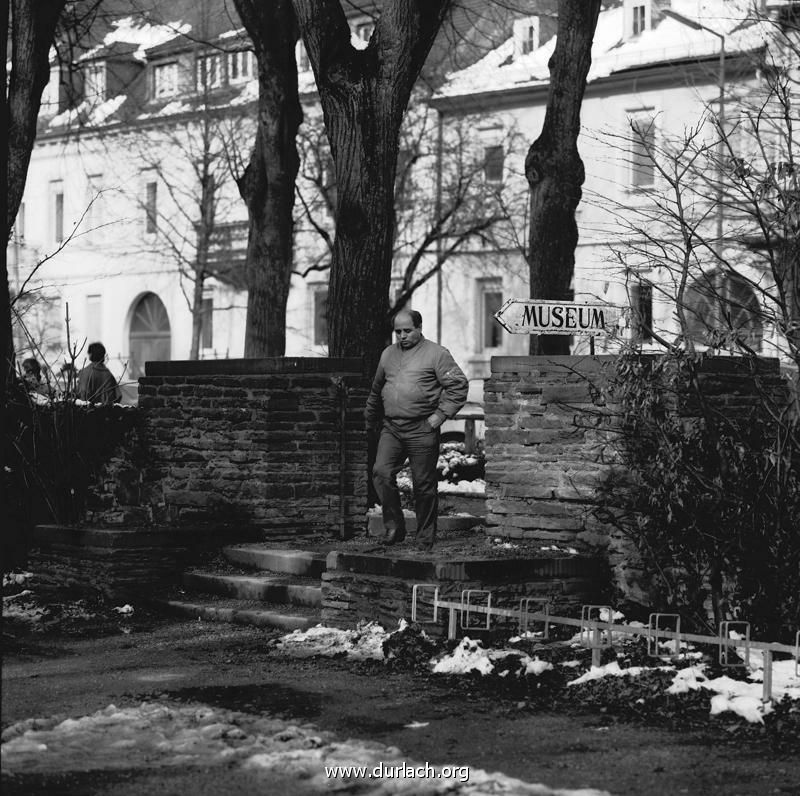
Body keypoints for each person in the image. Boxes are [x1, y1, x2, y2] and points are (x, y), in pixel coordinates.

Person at [365, 309, 468, 551]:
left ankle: (424, 537)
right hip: (392, 427)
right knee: (381, 472)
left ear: (419, 328)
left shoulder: (437, 354)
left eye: (407, 331)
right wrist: (370, 419)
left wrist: (439, 416)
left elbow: (458, 386)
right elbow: (376, 389)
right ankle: (394, 527)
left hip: (422, 427)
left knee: (423, 484)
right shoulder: (388, 354)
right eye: (398, 331)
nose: (402, 336)